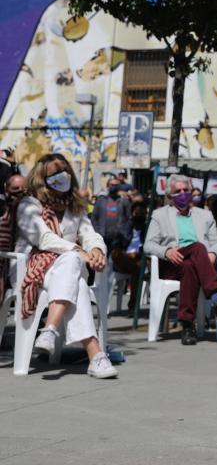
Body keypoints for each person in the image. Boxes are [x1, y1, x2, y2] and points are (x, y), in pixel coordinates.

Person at [17, 153, 117, 378]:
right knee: (76, 275)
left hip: (65, 269)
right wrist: (80, 251)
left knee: (73, 268)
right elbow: (43, 239)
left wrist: (97, 250)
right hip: (34, 267)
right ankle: (95, 355)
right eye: (54, 173)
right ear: (42, 178)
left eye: (64, 170)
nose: (61, 176)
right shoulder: (29, 204)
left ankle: (50, 330)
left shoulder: (75, 206)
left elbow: (89, 234)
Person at [144, 175, 217, 345]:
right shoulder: (159, 215)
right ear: (170, 196)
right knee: (198, 248)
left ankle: (187, 327)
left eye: (186, 190)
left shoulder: (205, 216)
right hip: (171, 265)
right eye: (177, 191)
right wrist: (167, 251)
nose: (183, 194)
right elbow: (148, 245)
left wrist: (213, 255)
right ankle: (216, 297)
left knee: (190, 263)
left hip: (195, 265)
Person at [90, 176, 132, 259]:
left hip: (119, 238)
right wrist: (97, 232)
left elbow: (129, 219)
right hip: (102, 237)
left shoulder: (124, 201)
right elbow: (94, 218)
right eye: (112, 185)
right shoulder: (101, 200)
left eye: (116, 185)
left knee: (116, 263)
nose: (113, 187)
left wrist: (126, 235)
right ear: (108, 186)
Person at [0, 174, 26, 299]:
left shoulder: (31, 212)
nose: (20, 192)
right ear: (6, 189)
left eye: (24, 189)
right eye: (16, 188)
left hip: (18, 264)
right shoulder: (4, 211)